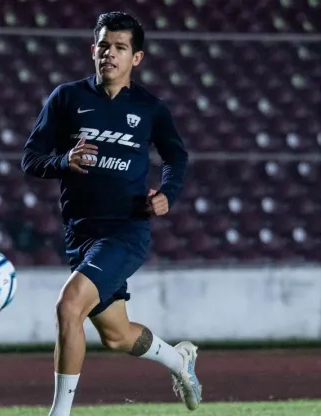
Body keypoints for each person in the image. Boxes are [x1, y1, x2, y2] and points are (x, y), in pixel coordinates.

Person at [20, 11, 202, 415]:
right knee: (118, 336)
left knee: (69, 306)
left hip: (126, 230)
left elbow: (176, 156)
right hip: (81, 234)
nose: (110, 54)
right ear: (93, 50)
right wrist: (64, 160)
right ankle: (179, 361)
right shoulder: (67, 98)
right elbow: (30, 159)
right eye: (104, 46)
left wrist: (167, 194)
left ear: (136, 58)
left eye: (120, 48)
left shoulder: (150, 108)